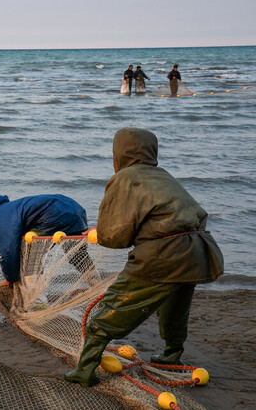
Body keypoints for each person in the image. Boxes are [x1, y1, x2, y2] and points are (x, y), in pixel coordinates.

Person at [64, 128, 224, 387]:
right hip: (198, 251)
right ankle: (171, 357)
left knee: (106, 315)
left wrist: (99, 234)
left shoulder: (126, 177)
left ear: (119, 153)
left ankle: (84, 371)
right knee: (175, 309)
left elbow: (116, 237)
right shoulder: (164, 176)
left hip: (163, 255)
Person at [0, 194, 96, 286]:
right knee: (77, 256)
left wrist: (11, 280)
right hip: (74, 209)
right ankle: (97, 286)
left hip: (54, 217)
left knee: (29, 258)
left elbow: (8, 253)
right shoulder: (5, 209)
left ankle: (36, 301)